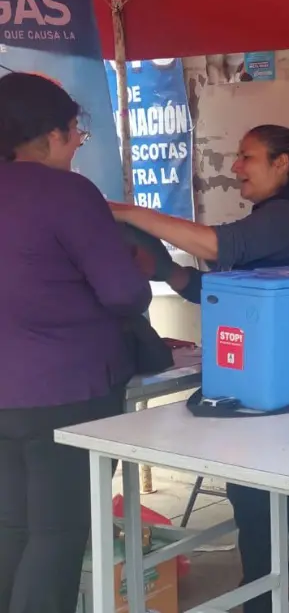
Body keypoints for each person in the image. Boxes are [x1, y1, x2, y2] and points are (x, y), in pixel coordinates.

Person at [112, 124, 289, 613]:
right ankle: (287, 586)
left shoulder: (284, 216)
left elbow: (217, 246)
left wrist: (129, 212)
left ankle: (272, 589)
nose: (235, 168)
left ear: (281, 165)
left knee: (262, 487)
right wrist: (166, 272)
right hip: (268, 370)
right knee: (274, 482)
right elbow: (221, 288)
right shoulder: (272, 217)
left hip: (277, 375)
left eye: (246, 157)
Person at [0, 73, 152, 613]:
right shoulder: (67, 192)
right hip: (67, 393)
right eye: (74, 133)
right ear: (51, 134)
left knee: (13, 528)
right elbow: (124, 293)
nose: (76, 144)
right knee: (58, 536)